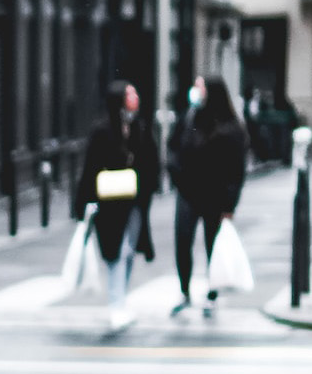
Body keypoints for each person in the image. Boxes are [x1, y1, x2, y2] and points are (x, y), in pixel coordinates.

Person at [74, 80, 159, 332]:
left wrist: (148, 187)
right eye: (128, 94)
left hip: (134, 201)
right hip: (109, 203)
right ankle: (116, 304)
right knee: (115, 252)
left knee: (129, 250)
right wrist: (84, 203)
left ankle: (121, 299)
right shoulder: (102, 131)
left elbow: (151, 161)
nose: (134, 98)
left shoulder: (139, 129)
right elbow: (90, 168)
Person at [170, 75, 248, 318]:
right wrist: (176, 174)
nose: (196, 91)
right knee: (183, 240)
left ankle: (212, 293)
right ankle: (185, 290)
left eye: (200, 86)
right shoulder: (190, 117)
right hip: (188, 191)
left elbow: (237, 168)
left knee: (212, 244)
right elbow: (174, 146)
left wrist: (230, 203)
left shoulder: (230, 127)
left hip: (215, 194)